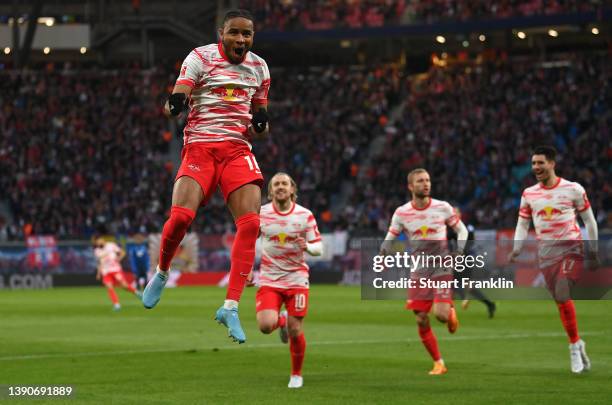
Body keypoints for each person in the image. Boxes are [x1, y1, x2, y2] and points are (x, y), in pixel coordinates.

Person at [141, 9, 271, 344]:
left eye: (247, 34)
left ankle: (230, 306)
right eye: (234, 33)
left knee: (251, 224)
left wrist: (260, 125)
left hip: (237, 150)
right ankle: (162, 271)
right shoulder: (200, 57)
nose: (241, 40)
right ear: (221, 32)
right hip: (200, 147)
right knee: (182, 217)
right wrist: (175, 105)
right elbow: (176, 98)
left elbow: (260, 115)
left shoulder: (260, 67)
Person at [508, 145, 598, 373]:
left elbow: (589, 221)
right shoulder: (529, 194)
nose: (536, 167)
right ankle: (577, 341)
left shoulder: (573, 189)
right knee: (561, 302)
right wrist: (517, 248)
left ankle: (573, 349)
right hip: (546, 256)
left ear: (552, 163)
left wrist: (593, 251)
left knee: (562, 292)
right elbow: (522, 224)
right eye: (533, 163)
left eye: (540, 163)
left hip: (571, 250)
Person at [381, 168, 468, 375]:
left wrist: (460, 251)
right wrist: (384, 250)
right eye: (420, 181)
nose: (426, 184)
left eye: (428, 180)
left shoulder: (442, 207)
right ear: (411, 187)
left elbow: (461, 230)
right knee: (420, 317)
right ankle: (439, 362)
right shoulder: (401, 212)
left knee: (440, 315)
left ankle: (449, 310)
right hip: (419, 270)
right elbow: (391, 235)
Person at [253, 173, 322, 388]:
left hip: (296, 279)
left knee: (295, 329)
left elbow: (319, 248)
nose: (281, 187)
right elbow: (248, 241)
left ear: (292, 189)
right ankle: (280, 320)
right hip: (269, 279)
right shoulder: (261, 213)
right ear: (270, 191)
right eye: (276, 184)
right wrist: (245, 269)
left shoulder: (305, 215)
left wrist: (308, 247)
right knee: (265, 326)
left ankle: (296, 374)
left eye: (284, 183)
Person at [449, 208, 496, 318]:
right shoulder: (452, 229)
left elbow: (470, 242)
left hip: (465, 259)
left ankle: (463, 299)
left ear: (460, 214)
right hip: (457, 259)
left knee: (455, 283)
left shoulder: (467, 227)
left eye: (456, 213)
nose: (454, 215)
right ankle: (489, 304)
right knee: (462, 285)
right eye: (452, 213)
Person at [94, 237, 141, 311]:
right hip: (105, 271)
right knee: (109, 287)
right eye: (97, 242)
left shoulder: (111, 245)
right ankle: (117, 305)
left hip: (115, 269)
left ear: (103, 240)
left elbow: (122, 252)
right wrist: (98, 273)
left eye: (99, 241)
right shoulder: (97, 251)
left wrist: (119, 258)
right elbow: (99, 262)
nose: (98, 243)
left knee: (124, 285)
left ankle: (137, 292)